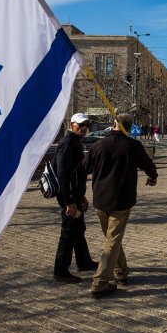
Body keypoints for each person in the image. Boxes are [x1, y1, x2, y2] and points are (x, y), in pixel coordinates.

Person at [83, 113, 158, 299]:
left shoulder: (98, 146)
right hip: (121, 201)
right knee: (113, 241)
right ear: (129, 127)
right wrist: (153, 177)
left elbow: (83, 169)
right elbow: (148, 165)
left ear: (114, 124)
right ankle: (100, 283)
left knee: (112, 240)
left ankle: (121, 273)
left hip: (101, 200)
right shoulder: (133, 146)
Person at [53, 113, 98, 284]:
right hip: (68, 198)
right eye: (80, 124)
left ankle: (84, 262)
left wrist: (81, 197)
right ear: (71, 125)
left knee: (78, 229)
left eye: (87, 125)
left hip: (75, 196)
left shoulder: (76, 142)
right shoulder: (68, 143)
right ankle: (60, 270)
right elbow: (63, 175)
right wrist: (69, 202)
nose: (84, 128)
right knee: (68, 233)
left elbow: (75, 174)